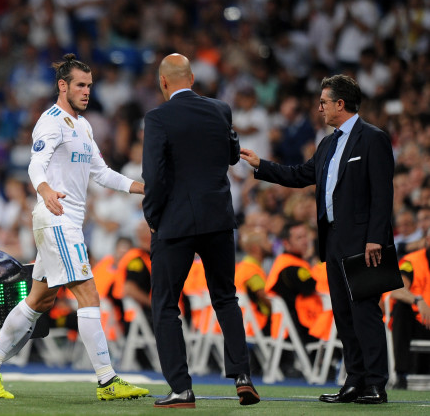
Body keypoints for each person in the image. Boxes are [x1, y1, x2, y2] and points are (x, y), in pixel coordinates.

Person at [0, 54, 149, 401]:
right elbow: (37, 164)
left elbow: (101, 172)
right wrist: (46, 190)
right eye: (80, 85)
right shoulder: (50, 121)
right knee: (88, 294)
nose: (86, 91)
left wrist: (139, 186)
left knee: (40, 299)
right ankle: (107, 380)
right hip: (56, 218)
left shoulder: (83, 125)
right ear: (62, 86)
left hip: (67, 222)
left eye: (89, 86)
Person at [240, 74, 394, 404]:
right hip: (334, 239)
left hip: (366, 242)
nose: (319, 107)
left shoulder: (373, 139)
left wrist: (376, 239)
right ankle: (354, 381)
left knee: (365, 312)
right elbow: (300, 175)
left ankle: (376, 384)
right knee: (343, 312)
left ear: (341, 103)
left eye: (324, 101)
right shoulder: (327, 143)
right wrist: (261, 165)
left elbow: (383, 193)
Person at [142, 53, 259, 408]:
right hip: (218, 219)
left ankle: (181, 389)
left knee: (165, 304)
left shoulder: (158, 117)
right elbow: (232, 155)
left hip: (175, 222)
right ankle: (242, 376)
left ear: (163, 82)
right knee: (225, 297)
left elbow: (155, 174)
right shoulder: (221, 109)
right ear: (191, 78)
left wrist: (152, 215)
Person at [266, 220, 321, 345]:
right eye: (299, 238)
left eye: (305, 236)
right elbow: (314, 286)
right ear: (286, 243)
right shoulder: (291, 269)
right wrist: (315, 261)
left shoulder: (284, 261)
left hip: (290, 328)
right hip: (301, 330)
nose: (305, 241)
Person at [391, 228, 430, 389]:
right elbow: (397, 290)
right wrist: (418, 300)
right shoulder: (412, 262)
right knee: (401, 308)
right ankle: (401, 375)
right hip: (417, 322)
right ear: (427, 241)